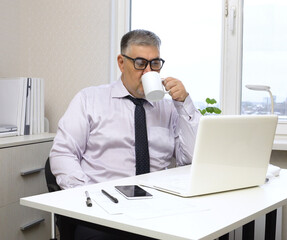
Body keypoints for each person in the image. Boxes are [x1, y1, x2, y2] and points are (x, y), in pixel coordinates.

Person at [49, 29, 201, 240]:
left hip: (159, 208)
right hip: (104, 210)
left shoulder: (168, 109)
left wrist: (184, 105)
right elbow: (62, 154)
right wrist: (86, 196)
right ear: (122, 63)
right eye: (140, 63)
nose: (149, 72)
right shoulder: (89, 99)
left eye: (155, 64)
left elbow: (191, 159)